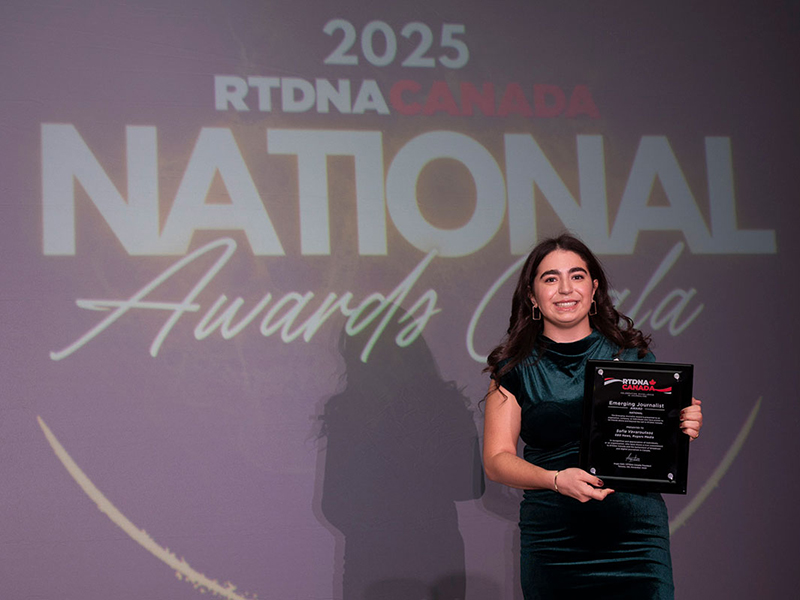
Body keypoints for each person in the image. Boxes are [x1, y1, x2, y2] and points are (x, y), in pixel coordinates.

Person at [482, 233, 703, 599]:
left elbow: (654, 444)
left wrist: (683, 425)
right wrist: (556, 480)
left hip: (636, 542)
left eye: (577, 276)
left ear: (594, 288)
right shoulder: (515, 369)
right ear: (532, 297)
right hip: (555, 543)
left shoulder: (633, 357)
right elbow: (496, 461)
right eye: (550, 278)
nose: (565, 289)